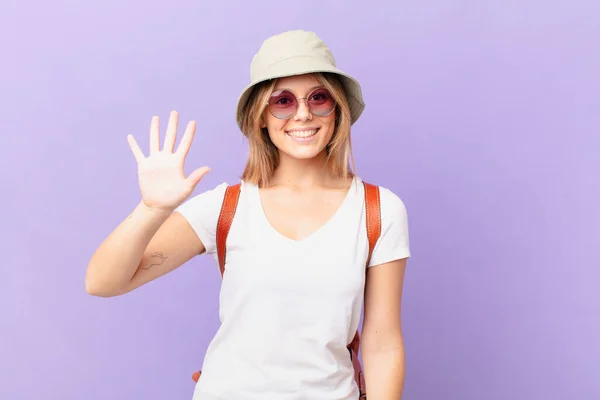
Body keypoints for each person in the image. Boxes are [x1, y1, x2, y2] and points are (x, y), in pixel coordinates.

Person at [85, 30, 411, 400]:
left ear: (337, 109)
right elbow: (102, 282)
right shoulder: (225, 208)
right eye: (282, 101)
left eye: (318, 98)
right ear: (261, 117)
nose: (303, 113)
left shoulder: (378, 210)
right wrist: (152, 209)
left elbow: (383, 343)